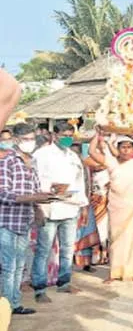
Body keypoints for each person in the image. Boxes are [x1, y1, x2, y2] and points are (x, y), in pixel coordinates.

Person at [88, 132, 133, 283]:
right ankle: (114, 273)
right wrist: (98, 133)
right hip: (116, 208)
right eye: (123, 147)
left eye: (129, 147)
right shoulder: (111, 162)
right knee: (116, 241)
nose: (126, 150)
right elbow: (91, 152)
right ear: (118, 149)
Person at [0, 123, 57, 315]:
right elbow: (3, 194)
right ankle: (7, 307)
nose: (30, 143)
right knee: (9, 267)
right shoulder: (7, 162)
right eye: (26, 140)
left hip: (24, 220)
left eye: (32, 139)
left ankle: (14, 304)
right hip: (6, 221)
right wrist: (33, 198)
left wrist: (40, 205)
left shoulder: (31, 162)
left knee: (18, 266)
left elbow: (35, 190)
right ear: (16, 140)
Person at [31, 122, 88, 302]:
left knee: (67, 248)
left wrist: (83, 205)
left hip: (70, 206)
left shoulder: (73, 156)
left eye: (70, 135)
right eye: (64, 134)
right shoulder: (42, 155)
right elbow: (34, 179)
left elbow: (80, 182)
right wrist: (48, 191)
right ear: (54, 135)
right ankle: (39, 288)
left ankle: (64, 282)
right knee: (43, 249)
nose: (67, 138)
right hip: (50, 207)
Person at [71, 142, 100, 272]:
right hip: (71, 206)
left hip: (86, 204)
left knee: (87, 233)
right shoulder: (67, 167)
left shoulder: (86, 166)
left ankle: (86, 263)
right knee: (72, 236)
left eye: (78, 152)